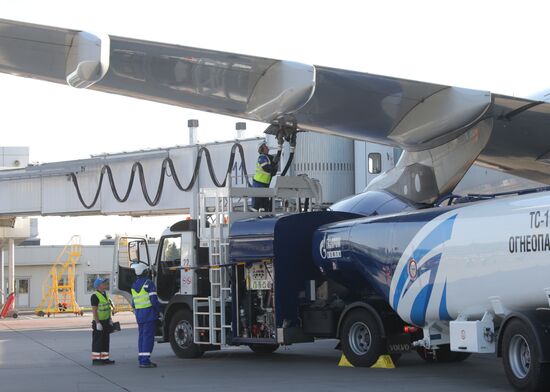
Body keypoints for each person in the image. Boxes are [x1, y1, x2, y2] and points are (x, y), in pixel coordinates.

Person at [130, 262, 161, 368]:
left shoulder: (134, 285)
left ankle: (141, 358)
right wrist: (159, 311)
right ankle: (145, 361)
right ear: (145, 272)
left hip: (139, 314)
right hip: (149, 314)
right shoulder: (149, 283)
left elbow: (133, 303)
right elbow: (153, 300)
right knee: (148, 337)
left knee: (142, 337)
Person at [91, 277, 115, 365]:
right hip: (99, 322)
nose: (105, 284)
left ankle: (105, 358)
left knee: (105, 340)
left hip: (106, 321)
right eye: (103, 283)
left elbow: (107, 308)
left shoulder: (105, 294)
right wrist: (97, 323)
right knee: (98, 341)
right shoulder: (95, 296)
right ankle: (96, 360)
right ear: (98, 286)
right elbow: (94, 310)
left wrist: (110, 319)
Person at [252, 142, 278, 211]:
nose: (267, 147)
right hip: (259, 184)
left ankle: (264, 214)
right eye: (265, 146)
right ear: (261, 149)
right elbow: (266, 168)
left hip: (264, 184)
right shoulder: (262, 158)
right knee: (257, 205)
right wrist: (273, 168)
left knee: (264, 204)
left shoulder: (267, 157)